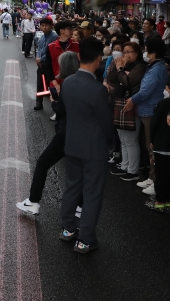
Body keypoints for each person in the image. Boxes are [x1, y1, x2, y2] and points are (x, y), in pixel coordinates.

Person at [59, 37, 112, 253]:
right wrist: (111, 144)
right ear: (99, 59)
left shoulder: (68, 82)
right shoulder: (98, 89)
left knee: (72, 187)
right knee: (92, 194)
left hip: (72, 144)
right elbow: (106, 123)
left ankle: (67, 229)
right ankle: (85, 239)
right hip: (94, 148)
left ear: (79, 56)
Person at [17, 52, 80, 215]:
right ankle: (80, 205)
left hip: (66, 132)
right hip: (81, 133)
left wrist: (54, 102)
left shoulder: (68, 83)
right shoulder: (85, 82)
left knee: (43, 163)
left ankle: (33, 201)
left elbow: (62, 110)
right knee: (77, 169)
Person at [124, 37, 170, 183]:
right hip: (147, 109)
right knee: (148, 144)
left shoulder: (157, 69)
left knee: (151, 145)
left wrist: (132, 100)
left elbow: (145, 91)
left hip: (151, 109)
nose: (145, 53)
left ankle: (153, 178)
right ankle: (151, 176)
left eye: (147, 50)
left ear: (153, 53)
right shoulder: (154, 66)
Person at [107, 41, 146, 181]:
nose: (126, 55)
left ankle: (133, 170)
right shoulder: (124, 66)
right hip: (118, 103)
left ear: (137, 53)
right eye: (125, 52)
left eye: (130, 52)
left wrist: (120, 69)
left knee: (131, 140)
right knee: (123, 139)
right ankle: (125, 165)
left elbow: (128, 81)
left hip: (130, 104)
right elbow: (111, 78)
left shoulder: (140, 66)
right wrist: (118, 66)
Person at [146, 75, 170, 211]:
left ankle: (159, 201)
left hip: (161, 145)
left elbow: (154, 124)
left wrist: (152, 140)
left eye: (166, 88)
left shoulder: (163, 103)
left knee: (160, 174)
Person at [34, 18, 58, 111]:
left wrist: (41, 59)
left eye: (46, 25)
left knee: (52, 83)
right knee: (40, 83)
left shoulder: (54, 36)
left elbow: (50, 52)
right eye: (42, 25)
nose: (44, 27)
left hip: (49, 64)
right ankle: (39, 102)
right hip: (41, 64)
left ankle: (55, 105)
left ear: (51, 26)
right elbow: (39, 49)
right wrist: (38, 58)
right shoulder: (42, 36)